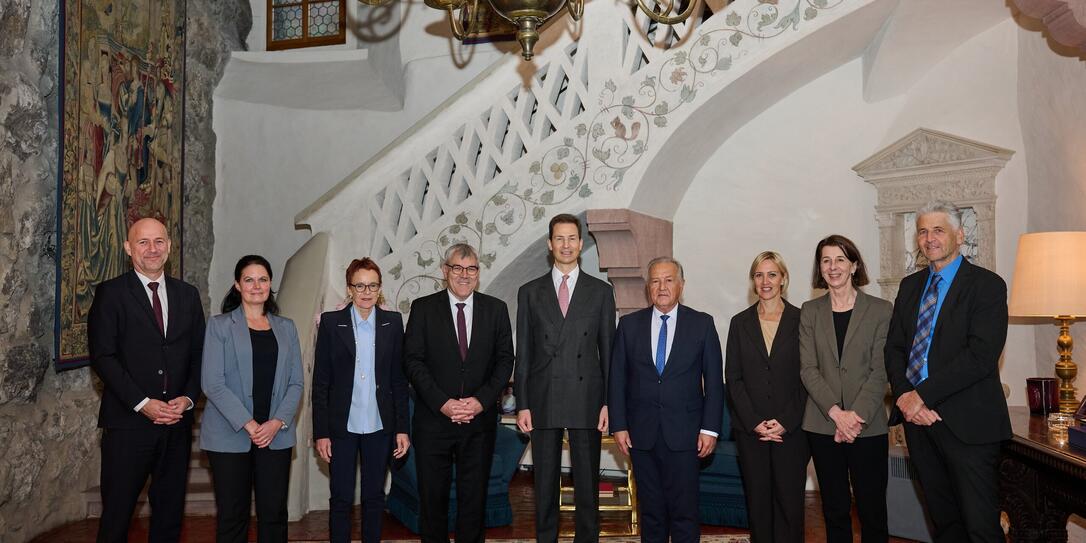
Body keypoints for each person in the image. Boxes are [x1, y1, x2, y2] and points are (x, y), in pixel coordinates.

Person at [885, 201, 1010, 542]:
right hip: (920, 428)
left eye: (938, 230)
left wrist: (919, 396)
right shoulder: (910, 287)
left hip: (969, 426)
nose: (929, 238)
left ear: (959, 234)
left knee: (980, 528)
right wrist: (906, 398)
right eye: (923, 231)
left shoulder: (987, 286)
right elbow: (894, 348)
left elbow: (980, 356)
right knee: (945, 526)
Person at [88, 217, 205, 543]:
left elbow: (199, 354)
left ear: (169, 246)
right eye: (143, 242)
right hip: (128, 425)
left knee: (169, 518)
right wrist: (143, 403)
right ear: (128, 248)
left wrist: (189, 398)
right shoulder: (111, 294)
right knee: (116, 517)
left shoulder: (188, 295)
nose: (152, 249)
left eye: (158, 241)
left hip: (176, 425)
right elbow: (103, 358)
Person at [403, 243, 515, 543]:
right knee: (433, 501)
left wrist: (480, 402)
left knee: (473, 502)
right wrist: (443, 403)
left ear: (478, 273)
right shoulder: (423, 309)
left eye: (471, 269)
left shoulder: (496, 309)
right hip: (434, 421)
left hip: (479, 423)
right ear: (445, 271)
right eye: (457, 268)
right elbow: (412, 361)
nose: (464, 275)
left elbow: (506, 361)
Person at [514, 214, 616, 543]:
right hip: (543, 397)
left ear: (581, 244)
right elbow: (525, 354)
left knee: (586, 483)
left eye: (572, 238)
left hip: (587, 396)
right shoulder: (529, 292)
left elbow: (609, 353)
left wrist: (608, 403)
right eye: (559, 238)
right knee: (544, 483)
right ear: (549, 244)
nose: (566, 245)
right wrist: (523, 404)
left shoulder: (600, 292)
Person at [608, 256, 724, 543]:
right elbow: (617, 379)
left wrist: (710, 429)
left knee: (684, 513)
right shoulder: (628, 325)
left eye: (669, 280)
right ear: (648, 287)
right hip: (641, 435)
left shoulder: (702, 324)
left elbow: (714, 382)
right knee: (651, 513)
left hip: (685, 435)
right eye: (656, 281)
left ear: (681, 285)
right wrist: (619, 425)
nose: (662, 286)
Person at [200, 255, 304, 543]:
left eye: (263, 279)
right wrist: (249, 424)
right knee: (233, 517)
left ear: (271, 285)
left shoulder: (287, 327)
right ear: (237, 285)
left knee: (274, 515)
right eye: (249, 279)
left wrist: (276, 423)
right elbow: (212, 383)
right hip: (229, 434)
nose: (256, 285)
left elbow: (296, 383)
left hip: (276, 436)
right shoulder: (219, 326)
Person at [799, 235, 893, 543]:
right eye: (825, 261)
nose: (832, 267)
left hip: (868, 425)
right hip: (823, 425)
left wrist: (854, 416)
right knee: (835, 510)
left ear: (853, 265)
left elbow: (881, 370)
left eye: (840, 259)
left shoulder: (880, 310)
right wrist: (837, 414)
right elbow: (808, 369)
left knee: (872, 510)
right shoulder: (810, 311)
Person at [312, 258, 411, 543]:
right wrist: (321, 432)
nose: (366, 291)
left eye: (373, 285)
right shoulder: (332, 323)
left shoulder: (393, 323)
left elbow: (398, 381)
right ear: (349, 289)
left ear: (380, 288)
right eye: (360, 285)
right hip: (342, 427)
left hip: (380, 427)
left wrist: (402, 428)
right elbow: (321, 383)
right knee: (341, 498)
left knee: (374, 497)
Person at [724, 251, 808, 543]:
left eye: (772, 274)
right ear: (753, 281)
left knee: (790, 506)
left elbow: (809, 376)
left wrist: (785, 421)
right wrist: (755, 422)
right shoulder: (739, 323)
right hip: (752, 433)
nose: (765, 281)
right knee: (758, 505)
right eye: (759, 275)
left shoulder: (803, 319)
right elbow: (733, 379)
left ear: (783, 279)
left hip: (792, 431)